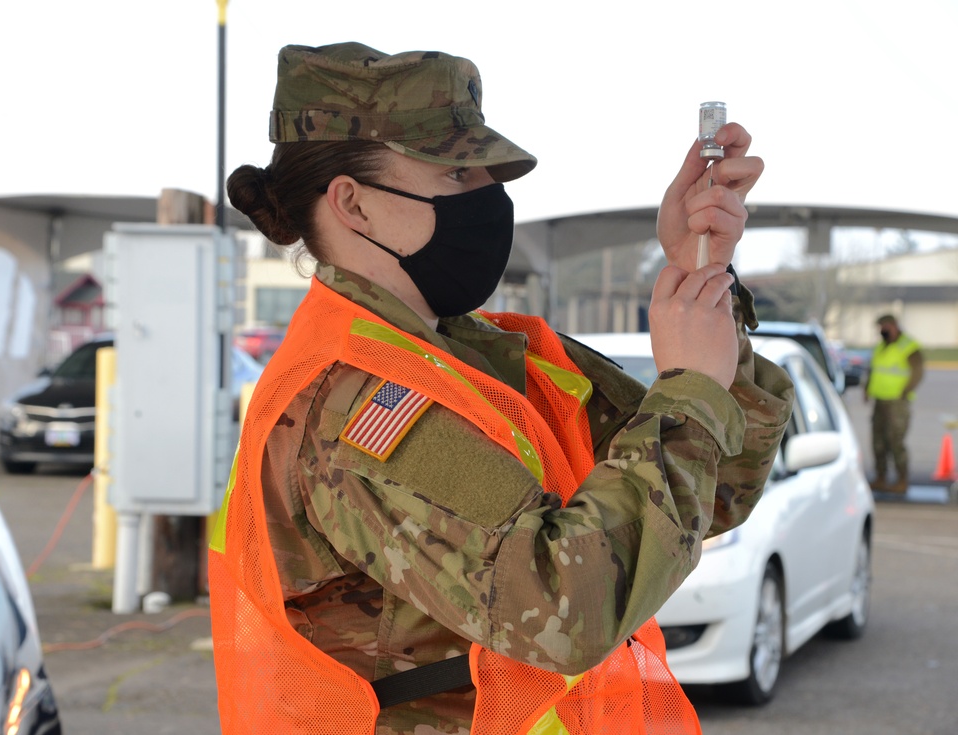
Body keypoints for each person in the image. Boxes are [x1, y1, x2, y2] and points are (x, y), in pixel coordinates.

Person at [208, 42, 794, 735]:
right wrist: (688, 388)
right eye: (456, 172)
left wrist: (702, 275)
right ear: (353, 205)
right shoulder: (357, 404)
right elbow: (564, 608)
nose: (489, 199)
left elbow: (715, 488)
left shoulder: (480, 356)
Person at [864, 314, 924, 493]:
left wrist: (905, 392)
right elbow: (874, 370)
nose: (881, 330)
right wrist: (867, 389)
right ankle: (881, 478)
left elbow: (918, 372)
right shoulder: (881, 347)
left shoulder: (908, 346)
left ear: (894, 326)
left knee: (896, 442)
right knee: (878, 441)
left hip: (897, 403)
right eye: (880, 327)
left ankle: (901, 480)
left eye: (884, 326)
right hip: (879, 401)